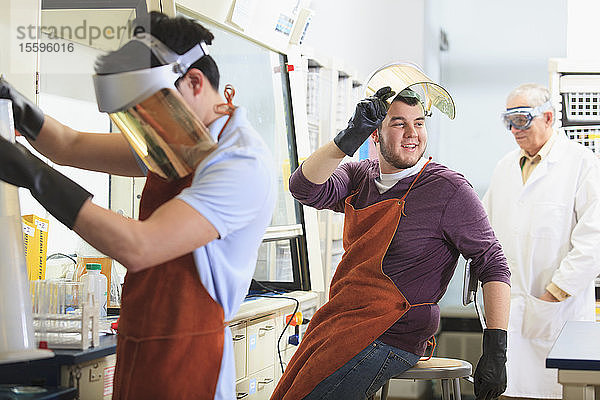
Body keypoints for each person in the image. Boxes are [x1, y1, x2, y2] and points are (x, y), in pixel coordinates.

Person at [0, 11, 275, 400]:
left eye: (149, 112)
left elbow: (141, 246)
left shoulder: (239, 163)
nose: (146, 128)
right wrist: (18, 106)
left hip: (190, 360)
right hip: (140, 343)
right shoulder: (181, 142)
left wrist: (34, 176)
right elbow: (70, 146)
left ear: (193, 83)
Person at [271, 75, 511, 400]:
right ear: (375, 132)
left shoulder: (448, 189)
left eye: (420, 123)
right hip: (341, 320)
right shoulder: (360, 175)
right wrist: (346, 139)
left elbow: (492, 263)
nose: (413, 134)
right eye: (399, 123)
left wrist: (496, 347)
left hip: (394, 332)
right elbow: (303, 188)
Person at [483, 83, 600, 399]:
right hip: (509, 313)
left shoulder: (581, 163)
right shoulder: (505, 167)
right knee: (507, 390)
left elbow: (594, 240)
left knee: (559, 390)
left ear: (548, 117)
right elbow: (487, 231)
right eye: (508, 121)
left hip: (557, 312)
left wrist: (554, 294)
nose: (514, 130)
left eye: (521, 120)